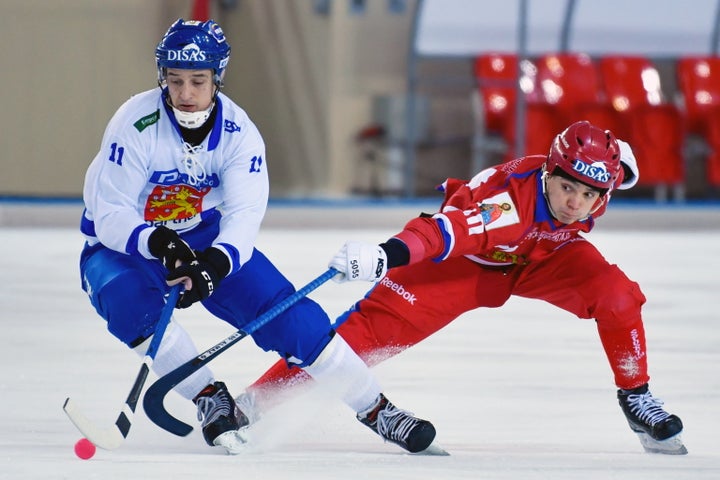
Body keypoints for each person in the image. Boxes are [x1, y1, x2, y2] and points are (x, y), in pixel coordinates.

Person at [79, 18, 436, 455]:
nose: (186, 94)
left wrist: (215, 263)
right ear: (163, 79)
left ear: (217, 79)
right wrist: (163, 245)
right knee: (126, 301)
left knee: (294, 319)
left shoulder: (239, 134)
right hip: (126, 244)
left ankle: (377, 409)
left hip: (204, 233)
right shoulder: (134, 122)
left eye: (198, 80)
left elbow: (245, 215)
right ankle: (210, 398)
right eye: (175, 81)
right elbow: (109, 212)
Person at [239, 120, 687, 455]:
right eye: (567, 187)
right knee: (352, 345)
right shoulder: (505, 206)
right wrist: (384, 255)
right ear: (549, 172)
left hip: (541, 257)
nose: (575, 203)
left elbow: (620, 163)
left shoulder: (602, 177)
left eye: (589, 195)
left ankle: (637, 396)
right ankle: (248, 406)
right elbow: (441, 233)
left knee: (617, 294)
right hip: (460, 265)